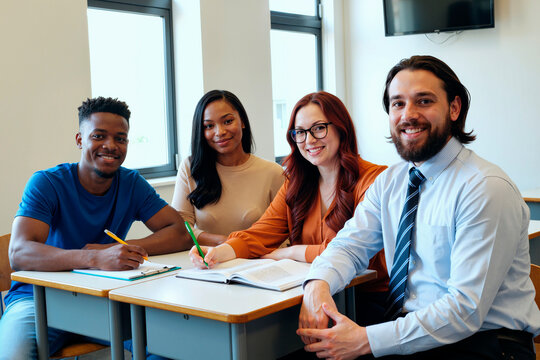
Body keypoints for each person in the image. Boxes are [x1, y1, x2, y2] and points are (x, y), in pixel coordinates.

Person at [297, 55, 540, 359]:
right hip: (413, 334)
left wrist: (365, 340)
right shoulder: (390, 182)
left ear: (454, 108)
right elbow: (348, 246)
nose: (408, 115)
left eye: (423, 101)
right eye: (397, 104)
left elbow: (464, 309)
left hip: (484, 343)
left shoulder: (485, 187)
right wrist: (317, 286)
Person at [0, 97, 192, 360]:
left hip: (103, 298)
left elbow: (179, 231)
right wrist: (95, 258)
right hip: (38, 299)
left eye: (120, 138)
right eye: (99, 136)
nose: (111, 146)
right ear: (80, 140)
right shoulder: (47, 183)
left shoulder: (131, 183)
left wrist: (120, 251)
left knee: (173, 347)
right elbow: (19, 253)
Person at [190, 91, 389, 318]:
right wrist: (217, 254)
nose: (309, 140)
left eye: (319, 128)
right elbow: (260, 234)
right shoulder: (296, 183)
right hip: (305, 293)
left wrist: (291, 252)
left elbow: (359, 254)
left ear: (341, 128)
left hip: (365, 300)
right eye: (301, 132)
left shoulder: (375, 180)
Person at [171, 90, 284, 246]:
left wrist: (238, 246)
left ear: (242, 121)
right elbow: (181, 228)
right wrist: (225, 243)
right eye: (209, 126)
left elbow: (283, 230)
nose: (220, 132)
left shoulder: (273, 173)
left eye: (228, 121)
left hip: (256, 262)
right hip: (208, 264)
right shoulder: (190, 168)